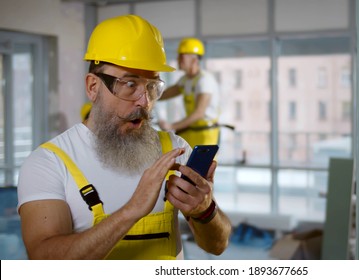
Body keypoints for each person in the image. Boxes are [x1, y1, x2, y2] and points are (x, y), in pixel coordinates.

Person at [16, 14, 231, 260]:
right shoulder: (49, 163)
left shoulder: (175, 150)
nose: (145, 101)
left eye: (152, 86)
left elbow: (218, 245)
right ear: (93, 87)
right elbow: (44, 262)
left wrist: (205, 210)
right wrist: (132, 210)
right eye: (130, 84)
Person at [158, 37, 221, 148]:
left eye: (182, 56)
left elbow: (199, 113)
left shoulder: (205, 80)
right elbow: (162, 95)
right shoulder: (185, 80)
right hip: (191, 131)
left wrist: (172, 126)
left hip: (205, 134)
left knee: (200, 165)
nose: (178, 60)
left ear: (194, 59)